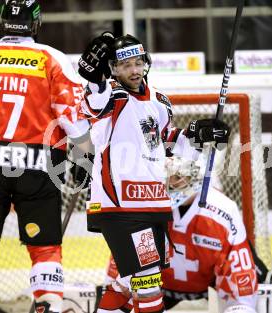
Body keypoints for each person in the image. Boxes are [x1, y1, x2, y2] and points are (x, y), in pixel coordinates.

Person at [0, 1, 90, 312]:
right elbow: (71, 114)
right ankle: (48, 302)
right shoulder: (50, 59)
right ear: (36, 24)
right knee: (44, 243)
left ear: (3, 24)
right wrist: (84, 153)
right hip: (38, 163)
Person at [77, 33, 231, 313]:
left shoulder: (159, 101)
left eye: (138, 63)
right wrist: (94, 78)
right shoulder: (111, 96)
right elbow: (94, 103)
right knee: (148, 285)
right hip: (121, 206)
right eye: (125, 65)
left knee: (127, 281)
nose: (134, 70)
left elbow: (166, 142)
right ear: (113, 68)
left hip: (153, 203)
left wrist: (197, 134)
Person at [96, 157, 266, 313]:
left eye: (176, 177)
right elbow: (123, 269)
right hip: (156, 286)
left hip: (208, 283)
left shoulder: (223, 211)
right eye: (164, 176)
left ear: (195, 177)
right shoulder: (145, 204)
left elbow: (240, 292)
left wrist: (240, 304)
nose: (167, 183)